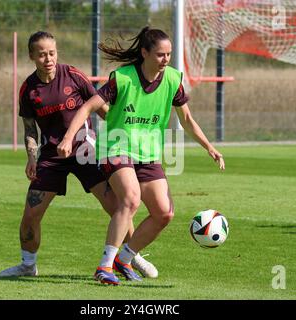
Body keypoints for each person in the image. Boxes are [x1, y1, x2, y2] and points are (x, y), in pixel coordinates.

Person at [57, 26, 225, 285]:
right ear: (144, 53)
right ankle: (105, 266)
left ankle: (124, 259)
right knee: (131, 199)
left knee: (164, 213)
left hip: (147, 154)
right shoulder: (122, 78)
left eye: (168, 55)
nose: (166, 59)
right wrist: (69, 138)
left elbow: (188, 119)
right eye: (160, 54)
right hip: (116, 148)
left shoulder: (172, 79)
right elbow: (88, 106)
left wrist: (209, 147)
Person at [0, 31, 158, 280]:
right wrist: (31, 158)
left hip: (87, 152)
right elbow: (30, 130)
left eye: (51, 53)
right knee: (31, 215)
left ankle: (130, 258)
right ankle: (28, 265)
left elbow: (102, 108)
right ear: (32, 56)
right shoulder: (28, 90)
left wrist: (121, 140)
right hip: (51, 157)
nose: (48, 58)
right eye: (41, 54)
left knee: (118, 206)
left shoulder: (73, 75)